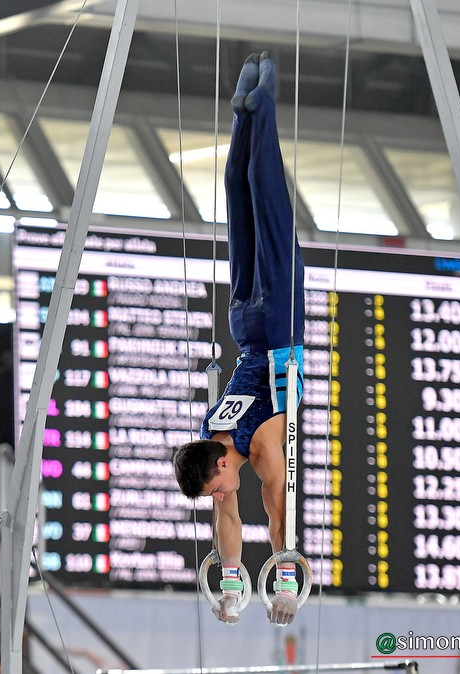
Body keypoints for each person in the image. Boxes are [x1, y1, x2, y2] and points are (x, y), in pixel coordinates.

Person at [170, 52, 303, 627]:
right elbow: (230, 523)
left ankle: (262, 99)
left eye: (216, 487)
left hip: (277, 329)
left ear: (221, 463)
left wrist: (285, 587)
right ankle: (243, 110)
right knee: (238, 192)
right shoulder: (211, 443)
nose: (222, 496)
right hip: (245, 326)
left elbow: (279, 520)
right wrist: (230, 586)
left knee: (263, 196)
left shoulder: (266, 446)